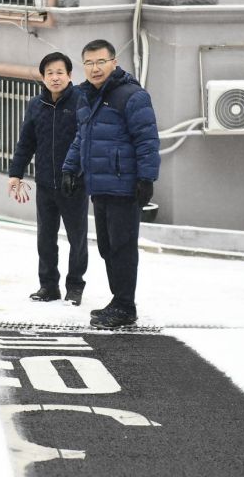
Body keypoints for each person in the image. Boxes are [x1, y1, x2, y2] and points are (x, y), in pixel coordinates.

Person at [62, 39, 160, 329]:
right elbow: (82, 137)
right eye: (89, 63)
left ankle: (126, 306)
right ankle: (118, 301)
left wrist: (146, 178)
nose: (94, 68)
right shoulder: (87, 97)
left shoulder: (131, 96)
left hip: (124, 185)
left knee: (122, 248)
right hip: (99, 185)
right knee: (106, 247)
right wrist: (70, 168)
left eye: (100, 62)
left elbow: (147, 139)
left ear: (114, 63)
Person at [7, 52, 88, 306]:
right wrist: (15, 174)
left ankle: (75, 286)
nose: (55, 78)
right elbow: (26, 142)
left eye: (60, 72)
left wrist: (79, 173)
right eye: (50, 73)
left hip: (73, 183)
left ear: (70, 75)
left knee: (77, 237)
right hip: (45, 183)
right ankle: (48, 286)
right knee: (45, 238)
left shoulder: (81, 101)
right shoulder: (36, 105)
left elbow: (87, 141)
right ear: (43, 77)